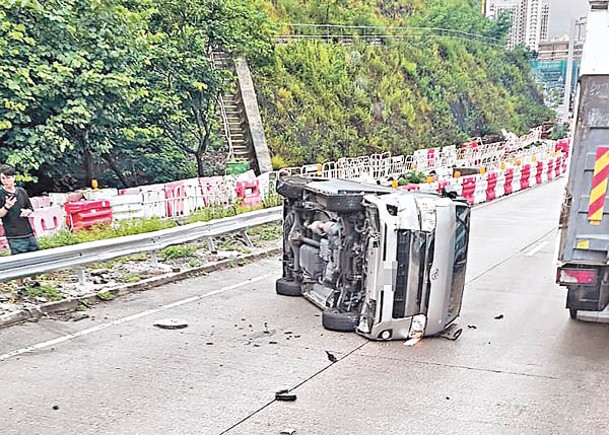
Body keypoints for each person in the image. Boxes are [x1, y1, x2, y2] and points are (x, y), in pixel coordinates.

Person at [0, 164, 38, 257]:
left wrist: (27, 211)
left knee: (36, 259)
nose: (5, 181)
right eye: (3, 178)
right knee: (21, 263)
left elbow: (30, 208)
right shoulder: (1, 194)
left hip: (29, 233)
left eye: (8, 178)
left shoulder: (21, 191)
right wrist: (7, 206)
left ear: (14, 177)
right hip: (14, 236)